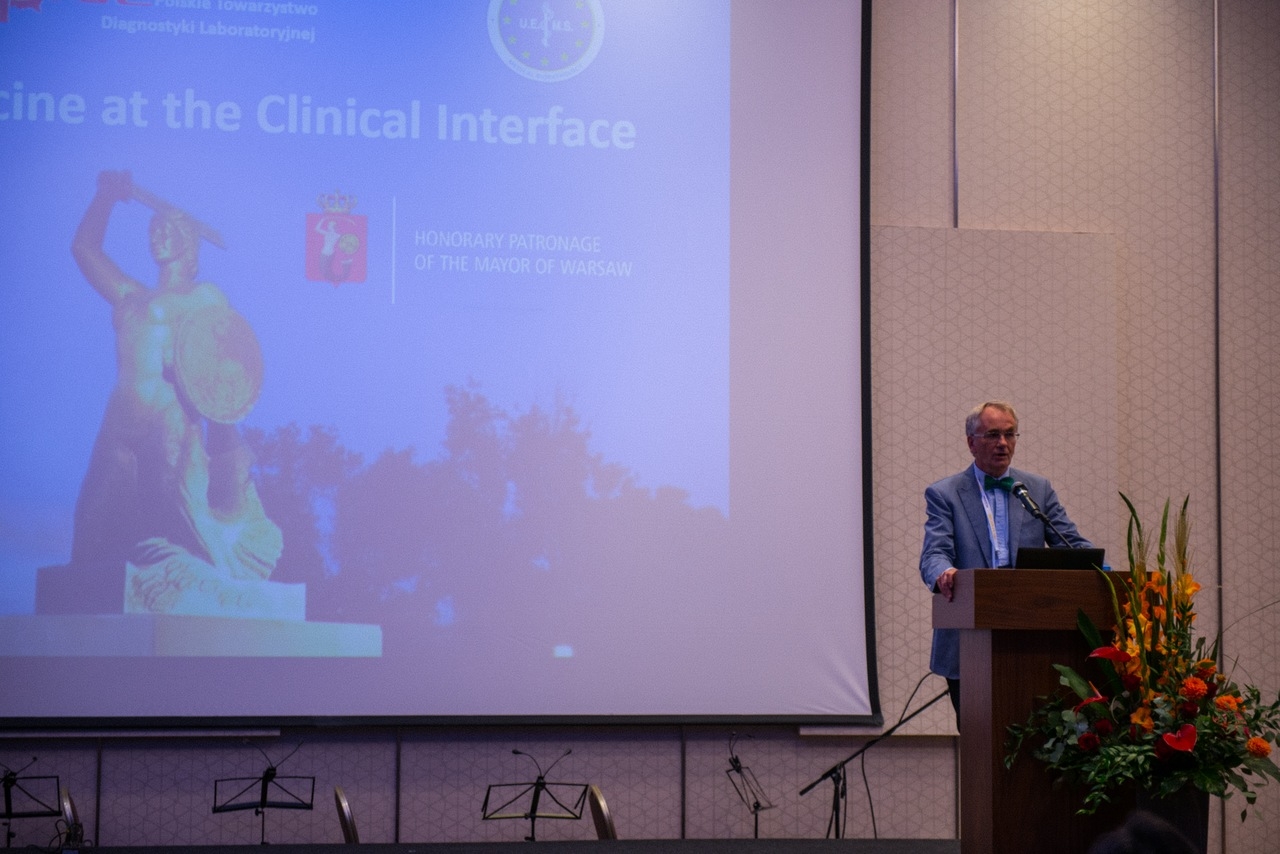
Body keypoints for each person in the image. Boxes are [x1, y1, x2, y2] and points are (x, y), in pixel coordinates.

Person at [68, 170, 283, 613]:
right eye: (154, 230)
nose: (158, 237)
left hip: (169, 426)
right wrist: (106, 197)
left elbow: (224, 368)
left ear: (189, 243)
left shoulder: (205, 298)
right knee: (90, 530)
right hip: (118, 424)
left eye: (169, 230)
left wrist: (225, 454)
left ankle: (217, 589)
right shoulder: (129, 296)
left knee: (180, 532)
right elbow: (84, 249)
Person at [919, 400, 1092, 725]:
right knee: (978, 733)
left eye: (1010, 434)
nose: (1002, 443)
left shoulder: (1037, 489)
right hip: (969, 638)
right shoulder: (945, 494)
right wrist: (945, 572)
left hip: (1031, 636)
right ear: (971, 443)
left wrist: (1102, 569)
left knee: (1034, 733)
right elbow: (933, 554)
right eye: (993, 435)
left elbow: (1071, 543)